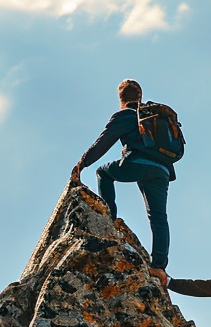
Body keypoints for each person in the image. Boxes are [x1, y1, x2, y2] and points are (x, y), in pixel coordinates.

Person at [72, 80, 175, 281]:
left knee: (103, 173)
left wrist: (81, 164)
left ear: (121, 99)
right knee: (158, 217)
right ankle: (159, 267)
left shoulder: (126, 115)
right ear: (140, 97)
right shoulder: (152, 116)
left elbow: (102, 143)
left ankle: (108, 219)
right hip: (162, 170)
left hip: (138, 163)